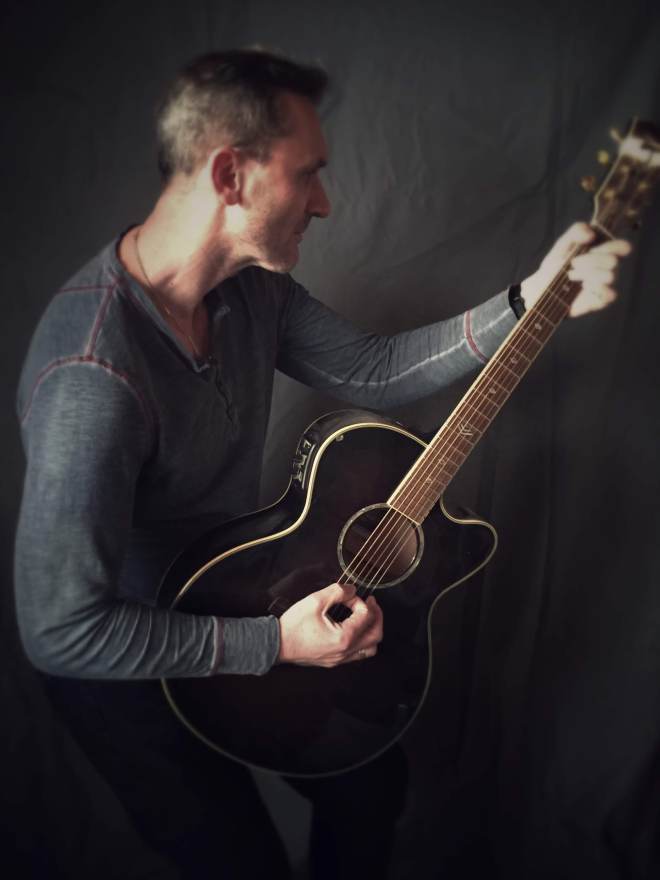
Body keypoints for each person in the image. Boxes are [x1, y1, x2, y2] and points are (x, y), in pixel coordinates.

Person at [14, 49, 631, 879]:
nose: (325, 203)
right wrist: (274, 643)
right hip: (130, 668)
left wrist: (529, 296)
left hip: (241, 598)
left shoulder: (250, 288)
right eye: (308, 175)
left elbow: (372, 370)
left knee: (370, 789)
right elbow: (62, 630)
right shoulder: (92, 374)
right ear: (230, 175)